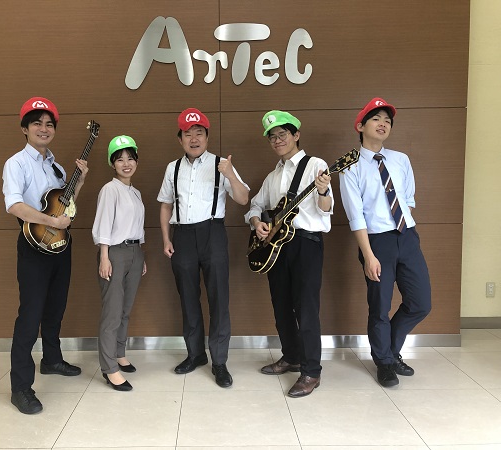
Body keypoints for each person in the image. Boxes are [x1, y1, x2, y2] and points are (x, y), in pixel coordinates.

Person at [2, 97, 88, 414]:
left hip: (60, 246)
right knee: (30, 315)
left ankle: (52, 360)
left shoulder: (57, 167)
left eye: (49, 124)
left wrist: (79, 181)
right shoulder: (16, 164)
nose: (44, 128)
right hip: (33, 247)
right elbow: (14, 205)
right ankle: (20, 387)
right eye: (36, 123)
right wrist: (50, 222)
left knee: (55, 308)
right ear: (24, 128)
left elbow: (65, 204)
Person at [339, 97, 431, 387]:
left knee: (420, 303)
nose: (383, 124)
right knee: (379, 307)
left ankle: (388, 350)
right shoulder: (350, 167)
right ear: (360, 126)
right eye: (376, 119)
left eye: (387, 121)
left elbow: (408, 198)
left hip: (407, 236)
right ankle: (385, 362)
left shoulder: (401, 159)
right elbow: (355, 216)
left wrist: (404, 229)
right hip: (376, 242)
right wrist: (368, 255)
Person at [157, 108, 250, 388]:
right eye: (188, 134)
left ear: (207, 137)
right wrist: (166, 238)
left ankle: (219, 361)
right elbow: (166, 205)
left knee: (219, 298)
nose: (194, 139)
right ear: (180, 139)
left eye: (199, 133)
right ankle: (195, 354)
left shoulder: (222, 164)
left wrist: (230, 175)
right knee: (188, 298)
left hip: (213, 233)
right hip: (182, 236)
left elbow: (243, 198)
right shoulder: (172, 168)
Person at [245, 110, 333, 398]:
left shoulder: (315, 165)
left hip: (306, 244)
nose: (277, 141)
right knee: (281, 305)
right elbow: (255, 205)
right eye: (272, 137)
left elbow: (326, 209)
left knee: (306, 309)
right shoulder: (272, 176)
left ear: (296, 135)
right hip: (277, 247)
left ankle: (311, 372)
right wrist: (257, 222)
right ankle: (291, 356)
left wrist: (322, 192)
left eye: (282, 134)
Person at [92, 135, 146, 392]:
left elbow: (136, 225)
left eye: (130, 158)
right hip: (113, 252)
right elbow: (103, 224)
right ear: (112, 164)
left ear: (136, 161)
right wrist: (104, 256)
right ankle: (109, 367)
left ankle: (120, 353)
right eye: (120, 159)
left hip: (135, 252)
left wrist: (140, 256)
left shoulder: (135, 192)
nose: (126, 164)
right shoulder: (109, 189)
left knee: (125, 309)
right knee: (112, 312)